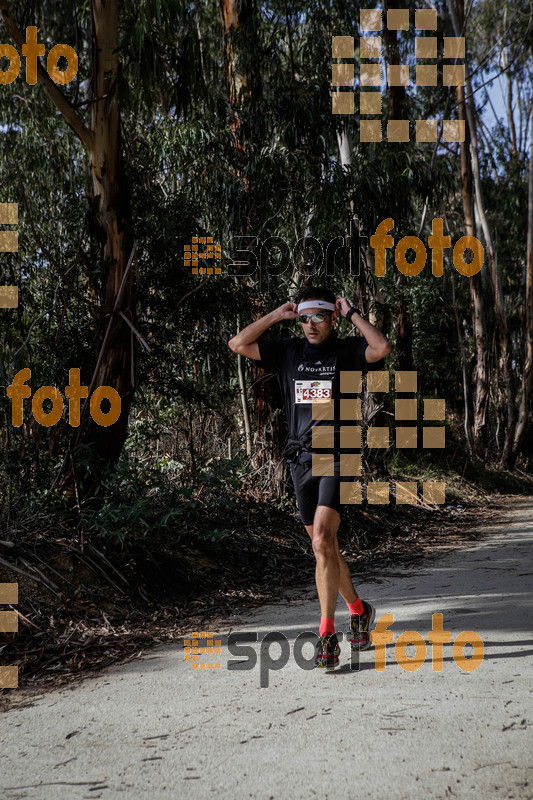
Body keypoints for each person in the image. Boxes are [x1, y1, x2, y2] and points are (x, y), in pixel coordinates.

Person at [228, 287, 392, 668]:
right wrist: (277, 315)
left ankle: (326, 635)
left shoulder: (347, 352)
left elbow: (381, 347)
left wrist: (352, 313)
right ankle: (359, 609)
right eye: (304, 318)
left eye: (318, 316)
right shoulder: (287, 351)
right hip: (300, 456)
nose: (310, 324)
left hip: (340, 453)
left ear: (332, 317)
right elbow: (238, 343)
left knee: (321, 539)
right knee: (326, 549)